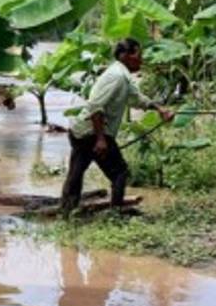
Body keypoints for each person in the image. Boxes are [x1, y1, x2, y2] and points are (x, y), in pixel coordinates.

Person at [60, 38, 172, 213]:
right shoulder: (117, 76)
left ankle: (66, 211)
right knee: (120, 172)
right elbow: (95, 106)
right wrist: (100, 139)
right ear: (125, 55)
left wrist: (159, 109)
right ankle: (116, 213)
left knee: (76, 173)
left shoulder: (122, 76)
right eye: (138, 55)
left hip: (82, 131)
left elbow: (137, 98)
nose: (141, 60)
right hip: (92, 132)